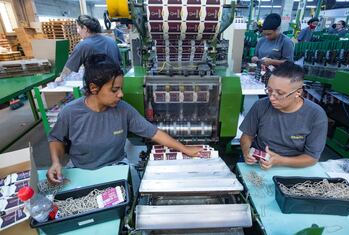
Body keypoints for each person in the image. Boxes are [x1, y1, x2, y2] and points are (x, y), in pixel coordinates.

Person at [47, 54, 203, 183]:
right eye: (115, 90)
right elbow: (57, 139)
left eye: (121, 88)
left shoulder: (123, 110)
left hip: (115, 168)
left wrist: (185, 149)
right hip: (80, 171)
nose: (120, 94)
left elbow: (154, 133)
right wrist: (56, 162)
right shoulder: (70, 112)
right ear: (94, 88)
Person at [240, 61, 328, 169]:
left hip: (293, 165)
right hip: (258, 161)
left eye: (280, 93)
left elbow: (311, 158)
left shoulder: (316, 115)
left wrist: (280, 160)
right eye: (269, 90)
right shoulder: (261, 106)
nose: (272, 97)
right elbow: (247, 136)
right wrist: (246, 153)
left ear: (298, 93)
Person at [55, 15, 121, 82]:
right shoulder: (111, 41)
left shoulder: (83, 45)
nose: (78, 32)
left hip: (99, 87)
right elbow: (119, 60)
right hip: (117, 82)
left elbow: (68, 69)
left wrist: (60, 79)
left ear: (85, 28)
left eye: (78, 29)